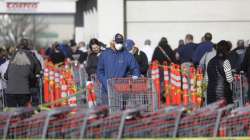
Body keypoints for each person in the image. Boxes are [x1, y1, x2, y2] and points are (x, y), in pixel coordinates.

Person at [97, 33, 140, 104]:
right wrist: (106, 83)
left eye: (120, 42)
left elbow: (135, 67)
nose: (119, 44)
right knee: (107, 111)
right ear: (113, 42)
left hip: (121, 89)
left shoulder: (127, 55)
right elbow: (100, 71)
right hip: (106, 90)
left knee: (120, 111)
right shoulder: (105, 54)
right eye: (117, 42)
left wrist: (136, 75)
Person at [5, 41, 41, 107]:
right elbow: (36, 71)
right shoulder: (31, 57)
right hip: (24, 90)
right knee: (24, 112)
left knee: (11, 113)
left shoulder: (13, 58)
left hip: (10, 91)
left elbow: (6, 76)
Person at [207, 40, 233, 105]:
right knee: (224, 114)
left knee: (214, 114)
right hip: (223, 93)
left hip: (210, 92)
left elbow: (207, 78)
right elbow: (229, 79)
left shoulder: (210, 61)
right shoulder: (226, 61)